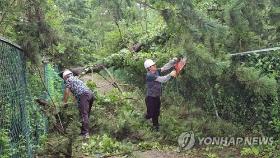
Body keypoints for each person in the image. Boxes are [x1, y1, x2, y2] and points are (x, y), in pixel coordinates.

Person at [144, 58, 178, 131]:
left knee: (156, 112)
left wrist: (172, 62)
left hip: (156, 97)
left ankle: (156, 127)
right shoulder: (149, 76)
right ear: (149, 68)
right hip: (150, 98)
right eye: (153, 65)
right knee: (150, 114)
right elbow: (163, 79)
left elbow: (165, 67)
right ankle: (143, 120)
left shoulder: (156, 71)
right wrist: (170, 75)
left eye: (154, 64)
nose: (155, 65)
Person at [62, 69, 95, 138]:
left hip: (84, 96)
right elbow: (75, 93)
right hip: (90, 94)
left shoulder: (68, 80)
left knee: (83, 115)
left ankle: (85, 134)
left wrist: (64, 103)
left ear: (65, 77)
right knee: (86, 114)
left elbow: (67, 92)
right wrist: (75, 101)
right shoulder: (76, 79)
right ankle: (85, 131)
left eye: (64, 78)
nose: (64, 80)